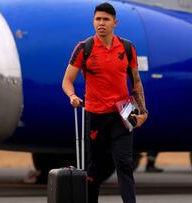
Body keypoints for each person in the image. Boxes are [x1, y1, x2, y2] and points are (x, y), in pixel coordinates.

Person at [62, 2, 148, 203]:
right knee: (94, 170)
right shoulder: (84, 48)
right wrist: (72, 96)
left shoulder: (127, 48)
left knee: (125, 164)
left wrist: (143, 112)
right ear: (93, 21)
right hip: (95, 116)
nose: (101, 23)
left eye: (106, 19)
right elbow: (67, 81)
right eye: (98, 19)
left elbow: (136, 82)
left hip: (123, 112)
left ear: (114, 23)